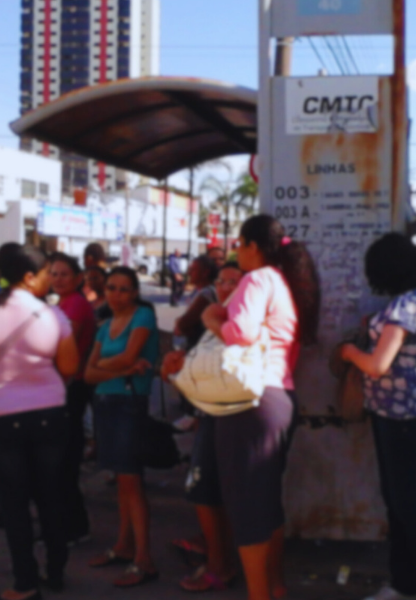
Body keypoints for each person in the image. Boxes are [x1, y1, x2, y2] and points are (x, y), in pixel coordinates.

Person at [166, 215, 320, 600]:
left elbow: (241, 334)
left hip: (249, 403)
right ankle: (275, 586)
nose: (236, 251)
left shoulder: (259, 279)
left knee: (248, 508)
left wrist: (211, 315)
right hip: (277, 398)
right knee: (265, 502)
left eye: (239, 244)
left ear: (253, 246)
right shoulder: (285, 283)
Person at [0, 243, 78, 600]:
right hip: (50, 416)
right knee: (52, 495)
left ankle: (25, 583)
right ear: (28, 276)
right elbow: (69, 367)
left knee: (14, 502)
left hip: (0, 419)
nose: (49, 281)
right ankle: (56, 572)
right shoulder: (53, 316)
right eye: (44, 274)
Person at [340, 233, 416, 600]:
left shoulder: (405, 306)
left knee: (406, 504)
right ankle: (404, 583)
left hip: (400, 414)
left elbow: (377, 365)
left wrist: (349, 351)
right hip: (403, 410)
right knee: (398, 500)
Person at [163, 262, 245, 592]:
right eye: (221, 281)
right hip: (210, 414)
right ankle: (218, 559)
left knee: (209, 492)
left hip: (227, 416)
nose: (225, 287)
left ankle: (220, 566)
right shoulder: (218, 320)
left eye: (233, 282)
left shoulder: (235, 324)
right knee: (207, 492)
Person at [85, 267, 160, 588]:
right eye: (111, 288)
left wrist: (107, 365)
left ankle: (144, 559)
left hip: (128, 404)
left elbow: (127, 355)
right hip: (106, 403)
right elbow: (87, 374)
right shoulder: (104, 326)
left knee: (131, 480)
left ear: (135, 292)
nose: (116, 294)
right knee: (121, 481)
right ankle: (124, 545)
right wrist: (121, 368)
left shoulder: (142, 316)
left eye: (124, 289)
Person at [50, 252, 97, 545]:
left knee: (64, 460)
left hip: (72, 386)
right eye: (53, 273)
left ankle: (72, 526)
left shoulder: (76, 305)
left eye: (64, 274)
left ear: (78, 278)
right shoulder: (64, 303)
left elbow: (63, 346)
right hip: (65, 386)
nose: (57, 279)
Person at [175, 255, 220, 350]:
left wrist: (180, 324)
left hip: (198, 348)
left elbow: (184, 323)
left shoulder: (207, 293)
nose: (189, 273)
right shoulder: (197, 290)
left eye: (193, 269)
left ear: (205, 273)